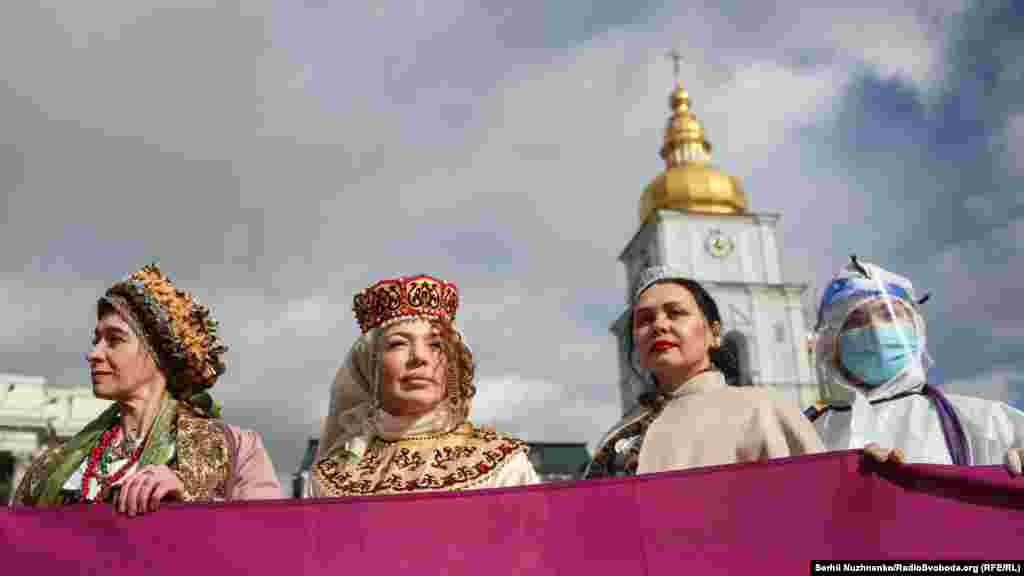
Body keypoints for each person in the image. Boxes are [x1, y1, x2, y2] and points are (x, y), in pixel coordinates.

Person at [11, 263, 281, 513]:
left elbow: (263, 542)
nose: (94, 353)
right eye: (96, 340)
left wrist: (191, 499)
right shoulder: (53, 465)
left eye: (114, 340)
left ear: (159, 354)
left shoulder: (237, 449)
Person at [306, 274, 538, 497]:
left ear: (452, 364)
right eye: (398, 344)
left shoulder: (503, 464)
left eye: (435, 344)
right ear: (369, 366)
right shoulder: (331, 478)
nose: (419, 357)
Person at [586, 266, 823, 478]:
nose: (659, 325)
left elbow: (819, 503)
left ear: (714, 333)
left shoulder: (765, 411)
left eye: (676, 313)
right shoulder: (616, 438)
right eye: (645, 320)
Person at [807, 256, 1024, 475]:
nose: (874, 329)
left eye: (887, 315)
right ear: (830, 344)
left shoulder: (983, 423)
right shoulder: (805, 437)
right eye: (856, 321)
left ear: (915, 328)